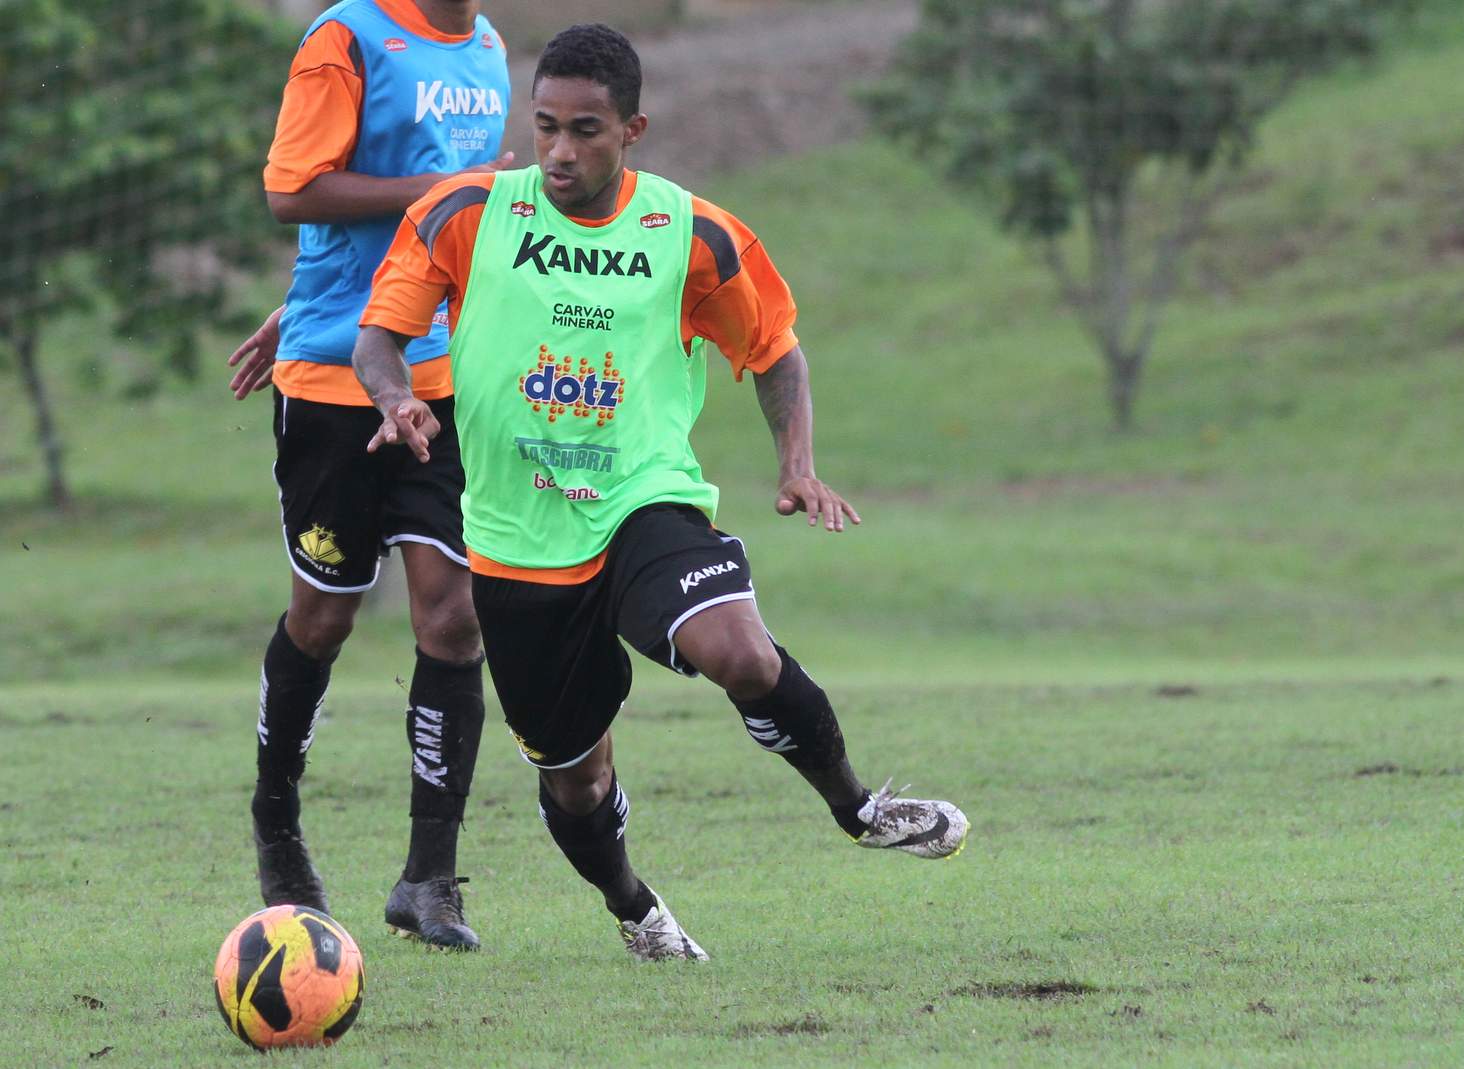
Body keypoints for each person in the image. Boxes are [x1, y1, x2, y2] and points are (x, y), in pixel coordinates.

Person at [352, 22, 969, 961]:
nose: (560, 151)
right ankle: (635, 907)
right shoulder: (466, 213)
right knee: (577, 780)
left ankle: (859, 808)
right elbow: (378, 336)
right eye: (546, 126)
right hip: (517, 540)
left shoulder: (690, 232)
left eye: (586, 130)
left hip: (641, 499)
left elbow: (775, 351)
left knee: (742, 653)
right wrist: (394, 396)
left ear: (632, 130)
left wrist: (796, 464)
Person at [223, 0, 512, 950]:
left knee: (454, 613)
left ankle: (430, 877)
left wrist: (459, 201)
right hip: (333, 383)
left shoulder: (488, 48)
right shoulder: (344, 38)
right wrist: (308, 302)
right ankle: (276, 821)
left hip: (442, 376)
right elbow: (293, 191)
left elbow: (447, 231)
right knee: (324, 618)